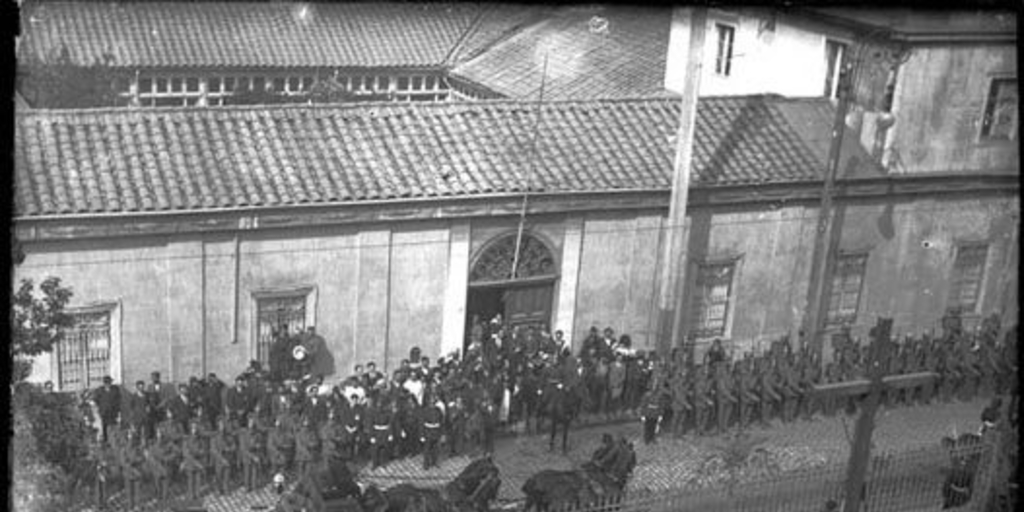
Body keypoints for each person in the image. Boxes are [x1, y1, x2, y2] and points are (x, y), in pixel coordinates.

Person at [420, 398, 445, 469]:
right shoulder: (425, 411)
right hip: (428, 432)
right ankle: (426, 464)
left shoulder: (438, 411)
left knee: (436, 449)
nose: (432, 404)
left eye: (433, 403)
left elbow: (442, 422)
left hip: (436, 432)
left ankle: (436, 462)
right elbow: (422, 423)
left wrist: (442, 433)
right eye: (431, 403)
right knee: (427, 449)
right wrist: (422, 435)